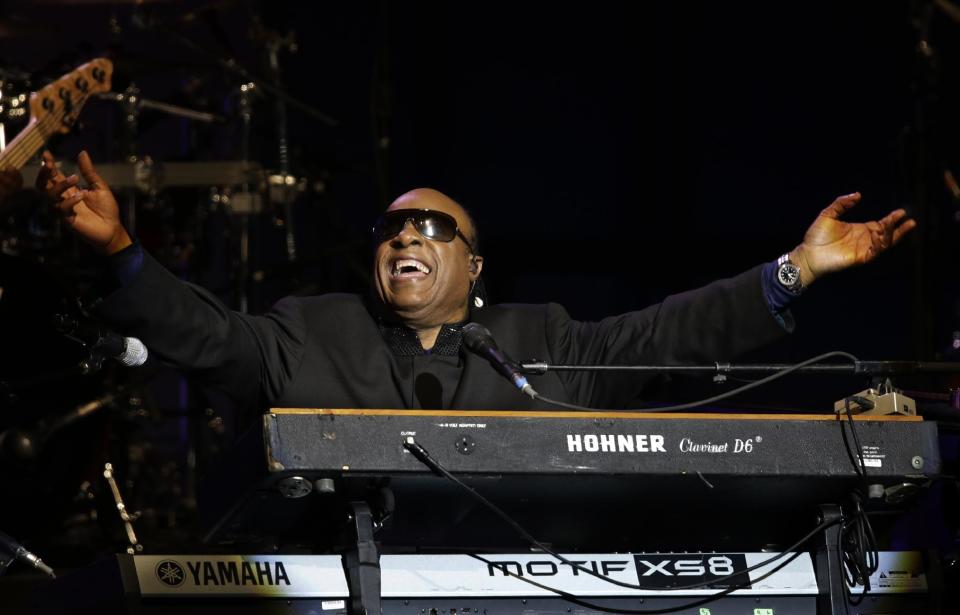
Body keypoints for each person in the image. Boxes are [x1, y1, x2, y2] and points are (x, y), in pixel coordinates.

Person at [37, 151, 915, 415]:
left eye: (433, 226)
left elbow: (667, 335)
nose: (407, 236)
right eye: (390, 228)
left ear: (474, 265)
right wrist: (123, 251)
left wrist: (797, 268)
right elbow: (210, 336)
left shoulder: (544, 342)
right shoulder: (313, 330)